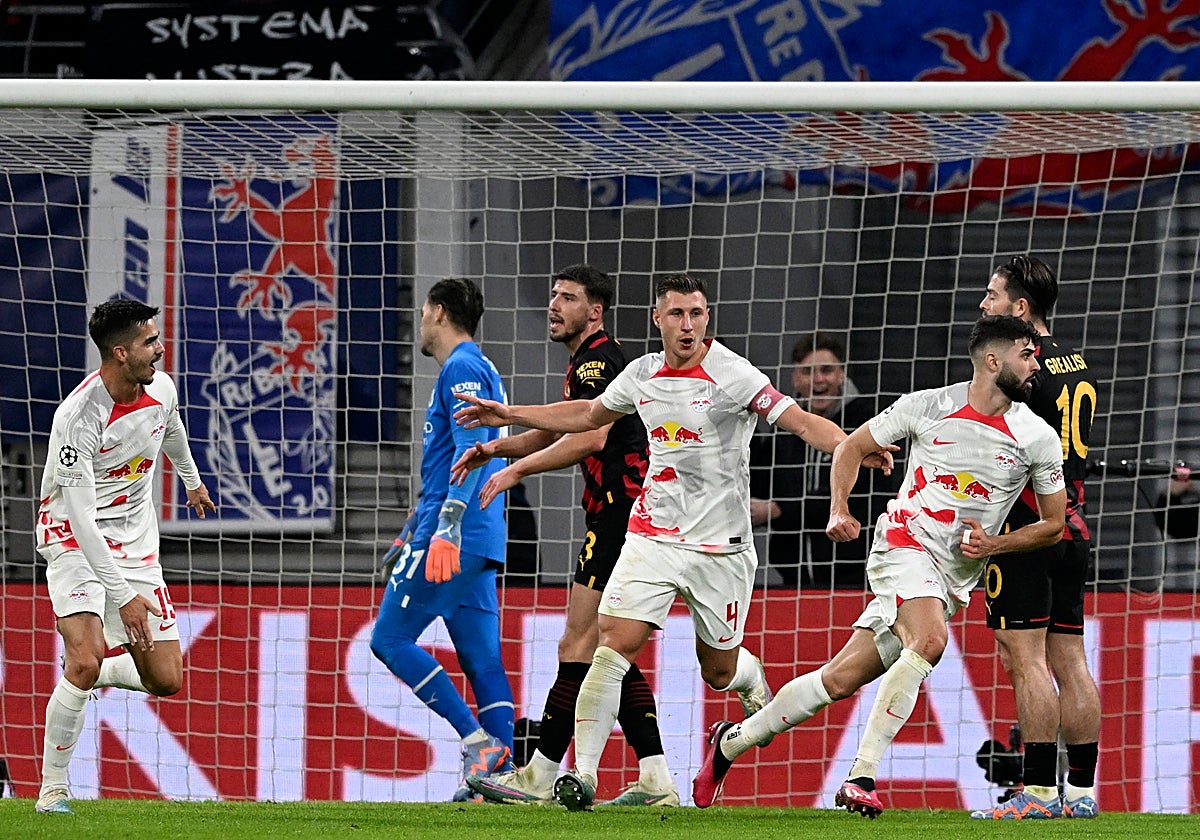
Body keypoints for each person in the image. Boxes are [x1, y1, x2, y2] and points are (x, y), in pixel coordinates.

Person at [455, 273, 893, 810]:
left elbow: (801, 421)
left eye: (697, 314)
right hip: (652, 533)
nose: (688, 325)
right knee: (611, 642)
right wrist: (509, 414)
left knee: (719, 671)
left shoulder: (733, 374)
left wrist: (852, 447)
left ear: (707, 319)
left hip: (720, 548)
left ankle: (748, 675)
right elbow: (590, 416)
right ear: (657, 320)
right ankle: (580, 778)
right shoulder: (640, 374)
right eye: (678, 314)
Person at [692, 315, 1067, 820]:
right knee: (929, 643)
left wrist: (997, 543)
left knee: (840, 679)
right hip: (902, 544)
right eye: (1027, 354)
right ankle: (861, 775)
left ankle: (730, 744)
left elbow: (1053, 524)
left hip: (952, 577)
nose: (1035, 364)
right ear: (993, 361)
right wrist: (839, 509)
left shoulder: (1037, 436)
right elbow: (851, 446)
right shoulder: (928, 406)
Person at [452, 264, 676, 806]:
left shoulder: (598, 359)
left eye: (568, 298)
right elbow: (559, 427)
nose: (555, 305)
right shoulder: (591, 361)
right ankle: (655, 779)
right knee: (607, 647)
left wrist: (517, 471)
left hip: (620, 514)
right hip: (628, 513)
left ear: (594, 311)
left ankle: (541, 774)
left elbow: (591, 434)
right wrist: (495, 451)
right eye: (553, 295)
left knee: (579, 641)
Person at [35, 298, 216, 814]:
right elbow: (83, 521)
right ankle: (52, 793)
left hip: (135, 543)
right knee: (84, 657)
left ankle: (98, 671)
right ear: (119, 352)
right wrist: (124, 598)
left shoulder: (161, 387)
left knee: (167, 679)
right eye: (149, 342)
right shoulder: (77, 417)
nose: (160, 349)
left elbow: (173, 429)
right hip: (73, 534)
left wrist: (193, 482)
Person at [369, 277, 515, 802]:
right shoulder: (479, 367)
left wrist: (444, 528)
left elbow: (476, 446)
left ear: (438, 312)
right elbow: (454, 457)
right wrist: (412, 527)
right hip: (477, 533)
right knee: (482, 661)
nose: (421, 321)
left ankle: (477, 742)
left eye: (424, 310)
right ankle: (500, 780)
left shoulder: (462, 367)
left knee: (388, 639)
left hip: (456, 535)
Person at [972, 256, 1102, 819]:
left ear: (1020, 310)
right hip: (1075, 526)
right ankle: (1082, 792)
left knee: (1023, 659)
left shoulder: (1018, 371)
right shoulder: (1080, 363)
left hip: (1028, 527)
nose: (985, 303)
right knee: (1070, 658)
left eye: (994, 295)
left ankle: (1040, 793)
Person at [750, 332, 890, 589]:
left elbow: (861, 493)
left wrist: (779, 509)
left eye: (827, 370)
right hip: (791, 579)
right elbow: (760, 486)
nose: (818, 380)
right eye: (807, 372)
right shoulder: (782, 431)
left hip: (857, 577)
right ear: (794, 378)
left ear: (841, 374)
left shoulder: (868, 423)